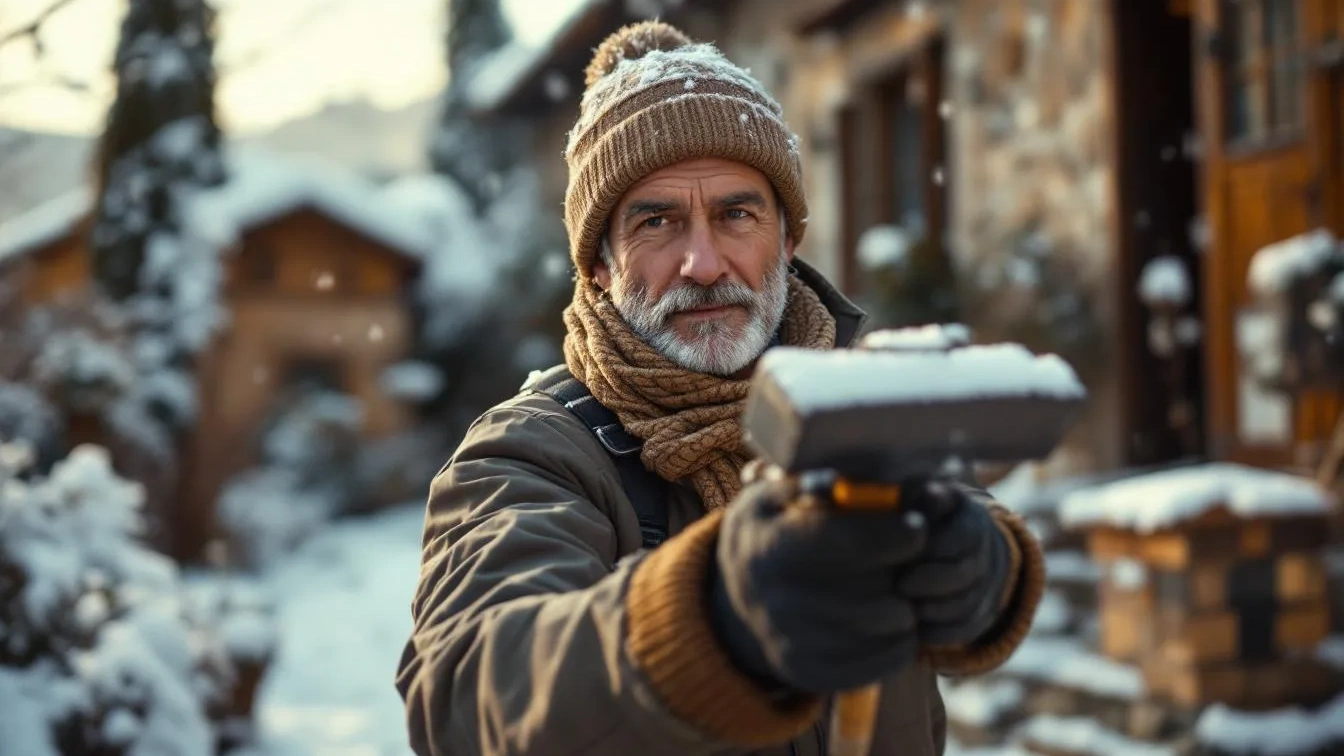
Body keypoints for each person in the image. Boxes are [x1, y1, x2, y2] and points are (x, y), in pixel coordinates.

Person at [395, 20, 1045, 756]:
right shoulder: (528, 454)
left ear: (787, 240)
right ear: (599, 265)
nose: (703, 263)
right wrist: (715, 619)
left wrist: (988, 572)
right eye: (656, 221)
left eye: (737, 214)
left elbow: (971, 525)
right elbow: (469, 691)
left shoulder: (859, 402)